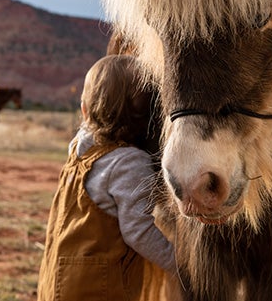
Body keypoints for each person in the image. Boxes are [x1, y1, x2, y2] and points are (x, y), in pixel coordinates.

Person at [37, 54, 176, 301]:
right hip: (100, 288)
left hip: (58, 279)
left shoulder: (78, 148)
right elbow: (138, 231)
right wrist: (179, 264)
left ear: (84, 110)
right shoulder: (129, 163)